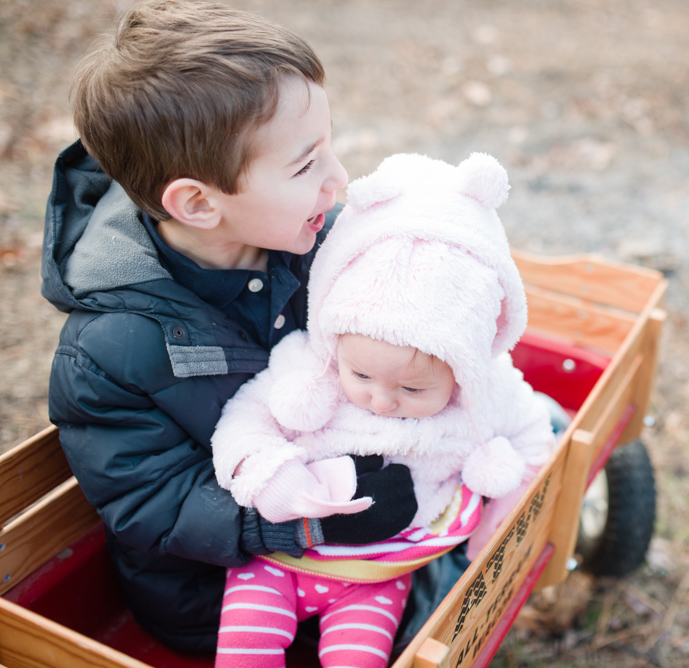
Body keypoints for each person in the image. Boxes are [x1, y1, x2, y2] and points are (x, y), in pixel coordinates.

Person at [39, 0, 418, 653]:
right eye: (306, 165)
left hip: (351, 533)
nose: (338, 180)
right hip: (224, 596)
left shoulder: (313, 242)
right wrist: (302, 523)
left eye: (330, 149)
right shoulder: (109, 350)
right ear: (197, 203)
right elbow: (155, 501)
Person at [209, 153, 556, 667]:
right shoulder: (310, 363)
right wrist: (270, 476)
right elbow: (242, 423)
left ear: (462, 372)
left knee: (359, 659)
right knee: (244, 652)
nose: (380, 400)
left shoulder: (484, 392)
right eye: (363, 377)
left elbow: (533, 441)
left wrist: (492, 530)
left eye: (413, 391)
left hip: (380, 575)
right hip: (277, 559)